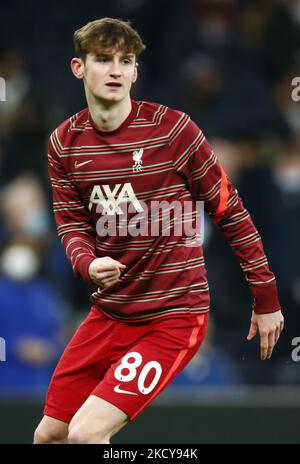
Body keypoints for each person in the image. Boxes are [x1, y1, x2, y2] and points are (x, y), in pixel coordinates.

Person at [34, 18, 284, 444]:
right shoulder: (64, 143)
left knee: (84, 436)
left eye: (125, 61)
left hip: (173, 316)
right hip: (110, 313)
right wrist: (88, 263)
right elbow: (72, 222)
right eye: (103, 60)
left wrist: (266, 300)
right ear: (79, 68)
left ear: (135, 71)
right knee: (50, 436)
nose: (115, 70)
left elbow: (231, 213)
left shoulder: (175, 131)